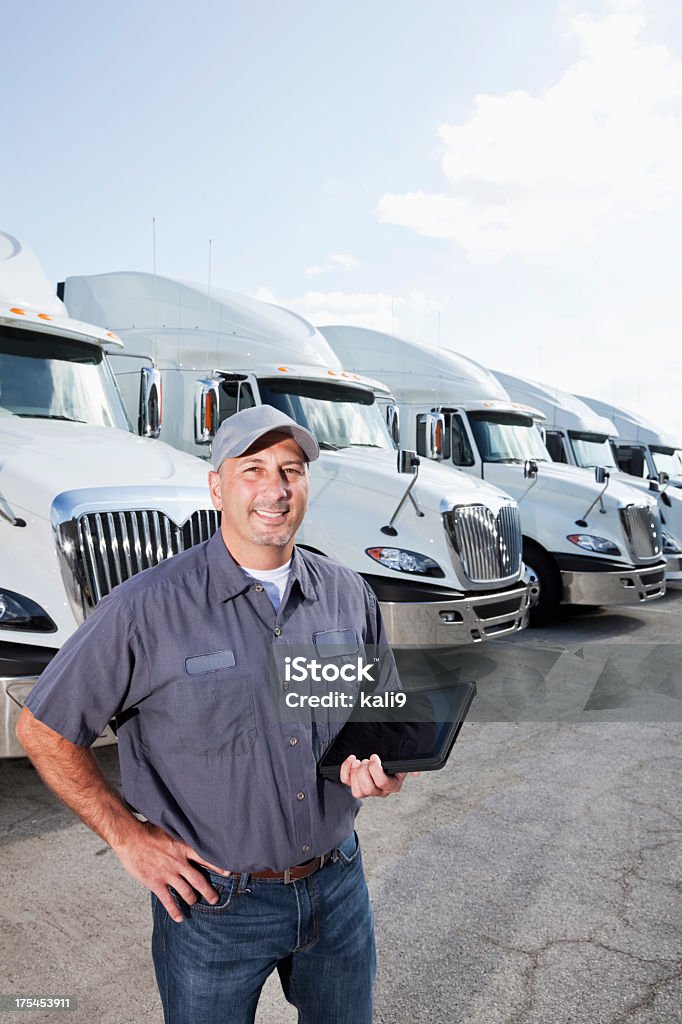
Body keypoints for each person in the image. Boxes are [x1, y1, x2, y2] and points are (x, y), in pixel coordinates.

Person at [16, 404, 415, 1024]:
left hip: (338, 886)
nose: (275, 489)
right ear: (216, 486)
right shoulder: (146, 609)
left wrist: (386, 767)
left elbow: (376, 714)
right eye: (252, 469)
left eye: (290, 470)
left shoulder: (347, 593)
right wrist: (128, 838)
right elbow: (42, 728)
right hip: (215, 905)